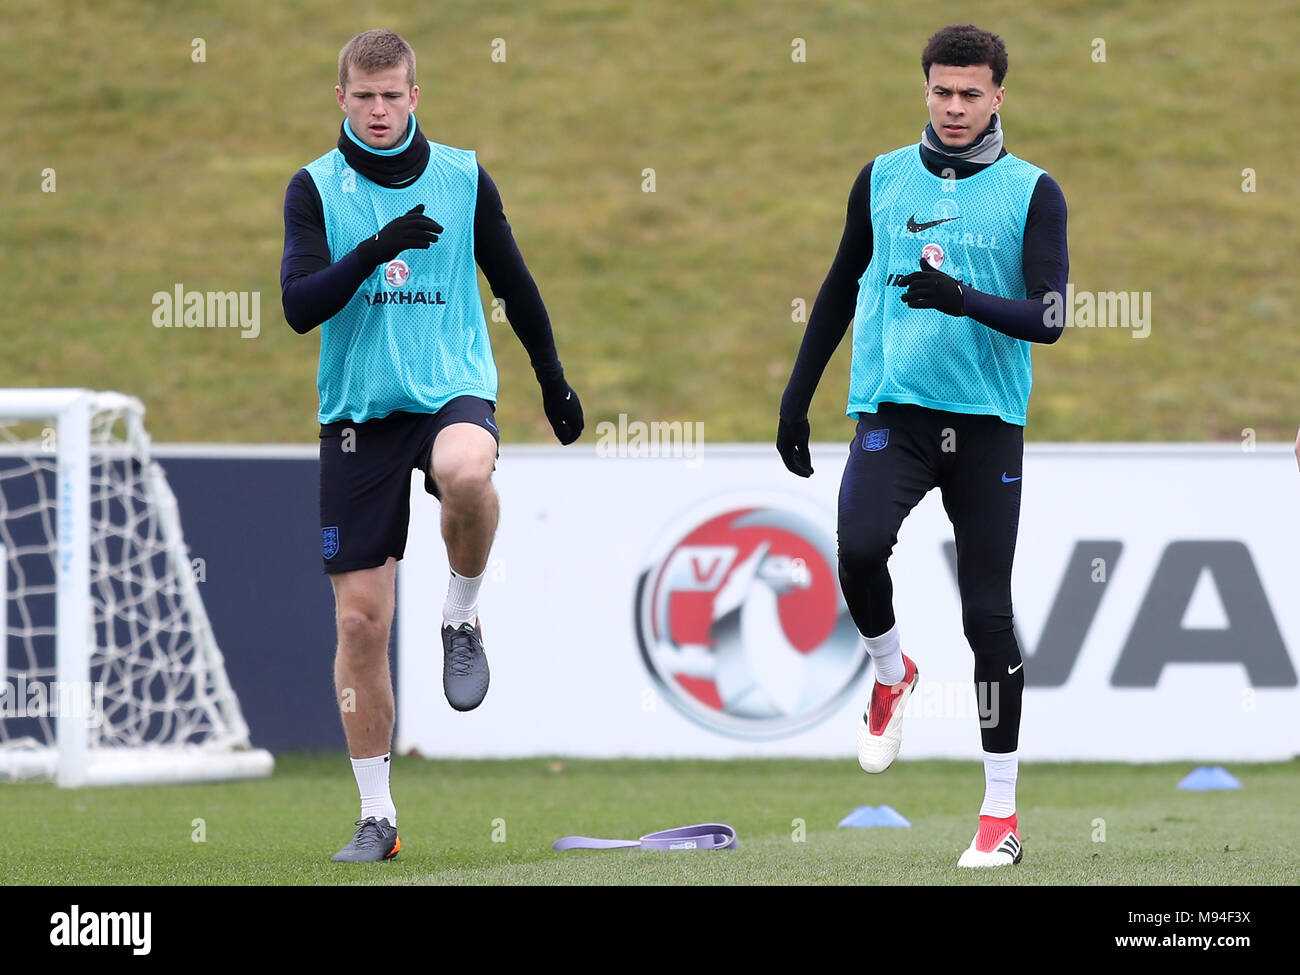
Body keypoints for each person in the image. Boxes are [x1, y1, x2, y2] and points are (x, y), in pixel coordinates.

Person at [280, 28, 584, 862]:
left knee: (465, 468)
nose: (379, 110)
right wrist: (376, 248)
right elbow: (300, 305)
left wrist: (552, 379)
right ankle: (378, 816)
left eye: (393, 95)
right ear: (341, 99)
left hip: (450, 388)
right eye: (364, 96)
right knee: (361, 620)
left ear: (416, 97)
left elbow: (514, 282)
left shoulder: (461, 174)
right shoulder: (314, 189)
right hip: (357, 416)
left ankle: (461, 613)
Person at [776, 23, 1069, 868]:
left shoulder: (1032, 191)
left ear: (999, 96)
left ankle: (1000, 813)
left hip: (985, 425)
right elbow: (838, 288)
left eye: (970, 93)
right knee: (859, 547)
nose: (953, 106)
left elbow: (1049, 319)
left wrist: (963, 298)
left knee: (987, 615)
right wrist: (797, 400)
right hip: (891, 413)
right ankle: (891, 670)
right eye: (941, 90)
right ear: (926, 89)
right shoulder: (881, 179)